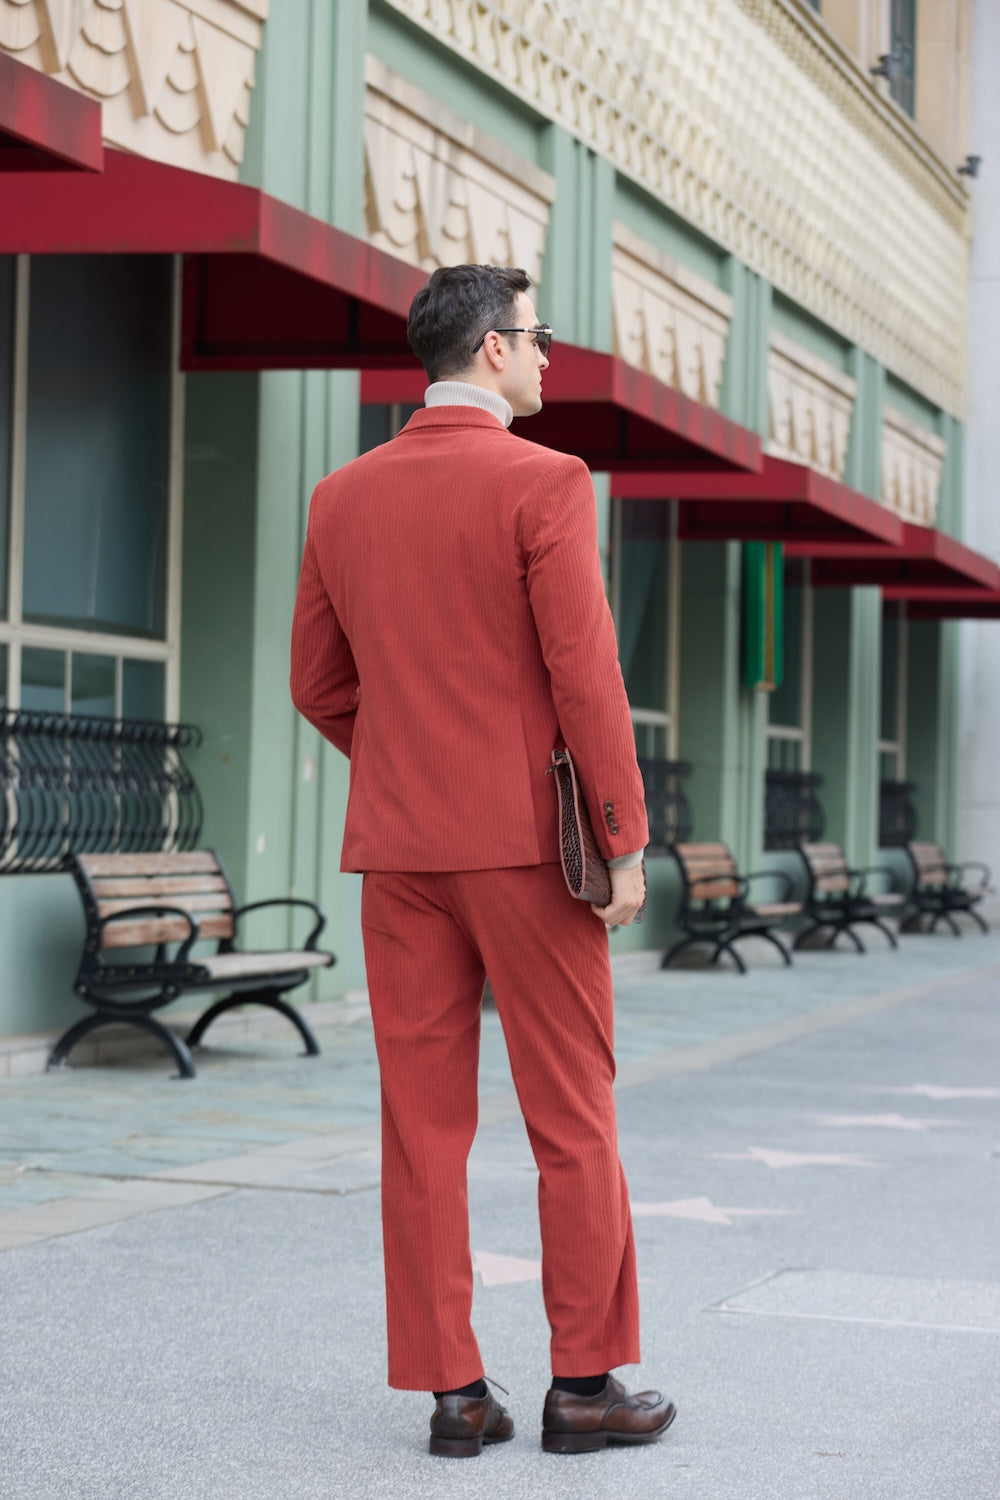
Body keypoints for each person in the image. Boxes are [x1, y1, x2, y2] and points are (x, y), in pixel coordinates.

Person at [290, 264, 676, 1458]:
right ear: (493, 351)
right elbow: (584, 677)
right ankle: (582, 1386)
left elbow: (316, 686)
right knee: (572, 1115)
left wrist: (407, 759)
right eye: (538, 338)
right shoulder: (545, 480)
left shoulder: (339, 497)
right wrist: (620, 836)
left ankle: (454, 1396)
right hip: (527, 850)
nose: (550, 358)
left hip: (400, 850)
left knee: (421, 1127)